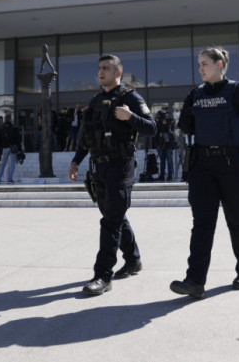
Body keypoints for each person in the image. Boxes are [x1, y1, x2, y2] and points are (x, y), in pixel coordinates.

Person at [170, 47, 239, 299]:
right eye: (198, 65)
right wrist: (188, 108)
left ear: (219, 64)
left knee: (237, 222)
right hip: (202, 166)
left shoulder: (238, 91)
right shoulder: (195, 94)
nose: (200, 69)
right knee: (202, 224)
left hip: (234, 165)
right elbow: (184, 125)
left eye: (205, 63)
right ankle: (195, 281)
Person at [67, 54, 156, 296]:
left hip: (121, 166)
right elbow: (87, 137)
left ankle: (102, 275)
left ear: (118, 72)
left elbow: (152, 127)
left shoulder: (130, 98)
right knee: (114, 217)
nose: (100, 72)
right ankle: (133, 259)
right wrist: (76, 162)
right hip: (99, 168)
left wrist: (130, 117)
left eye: (106, 68)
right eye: (99, 68)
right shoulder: (95, 101)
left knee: (110, 221)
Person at [0, 114, 22, 184]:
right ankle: (10, 179)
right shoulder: (14, 127)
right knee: (12, 164)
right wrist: (19, 149)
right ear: (10, 119)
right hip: (13, 148)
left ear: (5, 119)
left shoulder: (1, 128)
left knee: (3, 164)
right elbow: (18, 139)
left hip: (4, 148)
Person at [155, 109, 176, 181]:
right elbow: (156, 133)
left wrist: (166, 124)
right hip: (161, 144)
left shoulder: (170, 121)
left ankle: (170, 175)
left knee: (170, 161)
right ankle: (162, 175)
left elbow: (171, 130)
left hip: (169, 144)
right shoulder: (158, 123)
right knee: (162, 161)